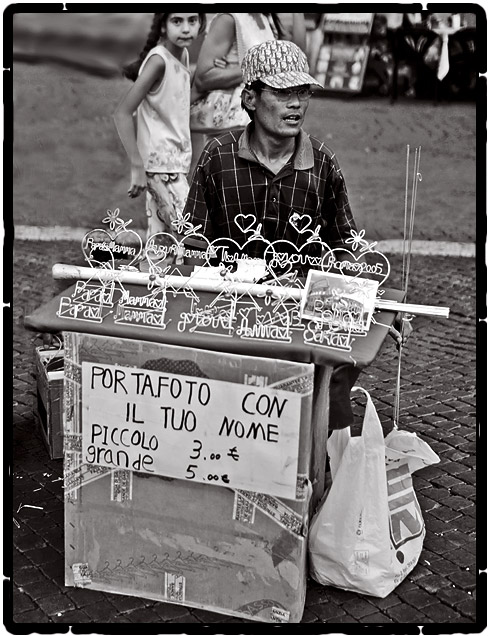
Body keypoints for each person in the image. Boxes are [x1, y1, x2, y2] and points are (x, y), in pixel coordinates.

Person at [183, 39, 410, 430]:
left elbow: (344, 248)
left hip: (302, 322)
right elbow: (193, 245)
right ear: (251, 98)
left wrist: (378, 306)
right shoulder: (217, 158)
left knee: (322, 408)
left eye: (303, 93)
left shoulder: (322, 163)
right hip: (231, 315)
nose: (297, 105)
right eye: (284, 93)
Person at [113, 12, 206, 262]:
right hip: (161, 168)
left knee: (160, 244)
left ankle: (150, 295)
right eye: (177, 21)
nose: (186, 28)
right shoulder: (159, 61)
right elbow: (122, 113)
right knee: (192, 236)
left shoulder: (182, 55)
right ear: (163, 26)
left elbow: (172, 103)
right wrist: (137, 166)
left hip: (174, 165)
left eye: (192, 20)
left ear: (201, 23)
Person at [189, 13, 306, 175]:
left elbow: (297, 58)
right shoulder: (229, 19)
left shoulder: (265, 18)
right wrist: (258, 69)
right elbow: (203, 78)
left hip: (261, 125)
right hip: (233, 128)